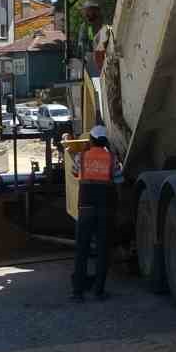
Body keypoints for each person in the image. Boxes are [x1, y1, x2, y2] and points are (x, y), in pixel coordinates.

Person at [69, 124, 122, 302]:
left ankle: (78, 292)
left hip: (85, 208)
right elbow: (119, 178)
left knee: (82, 249)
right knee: (102, 250)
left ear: (91, 140)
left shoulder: (81, 157)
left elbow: (75, 173)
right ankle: (99, 291)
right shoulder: (111, 158)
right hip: (105, 209)